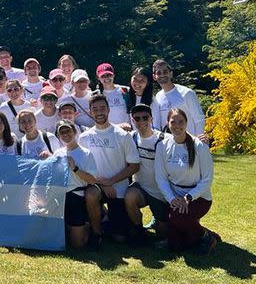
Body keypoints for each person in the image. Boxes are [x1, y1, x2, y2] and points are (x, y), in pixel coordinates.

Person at [80, 94, 140, 247]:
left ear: (108, 109)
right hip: (97, 185)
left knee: (120, 238)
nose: (99, 112)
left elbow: (134, 165)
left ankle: (127, 227)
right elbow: (82, 167)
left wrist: (112, 181)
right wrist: (103, 183)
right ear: (90, 112)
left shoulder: (122, 135)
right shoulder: (84, 137)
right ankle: (96, 234)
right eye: (95, 109)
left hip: (118, 188)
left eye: (102, 108)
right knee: (90, 194)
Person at [154, 108, 218, 254]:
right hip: (176, 199)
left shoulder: (199, 146)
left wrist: (188, 198)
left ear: (186, 123)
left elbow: (207, 178)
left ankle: (206, 237)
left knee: (176, 217)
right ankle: (201, 231)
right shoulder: (162, 146)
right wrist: (171, 199)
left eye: (181, 121)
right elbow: (161, 177)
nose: (177, 125)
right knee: (175, 246)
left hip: (199, 198)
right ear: (167, 123)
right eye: (173, 122)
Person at [123, 104, 170, 243]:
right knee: (129, 197)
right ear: (133, 120)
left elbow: (184, 139)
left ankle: (160, 220)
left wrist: (201, 139)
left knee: (163, 235)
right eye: (137, 118)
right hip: (141, 188)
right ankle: (139, 230)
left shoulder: (165, 139)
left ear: (151, 118)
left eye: (145, 117)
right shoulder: (130, 137)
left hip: (161, 193)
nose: (142, 122)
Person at [53, 119, 98, 249]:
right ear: (58, 136)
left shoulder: (86, 153)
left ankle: (89, 225)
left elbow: (92, 180)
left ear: (75, 131)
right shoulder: (58, 153)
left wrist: (75, 169)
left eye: (68, 130)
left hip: (77, 197)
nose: (66, 134)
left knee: (78, 245)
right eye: (62, 132)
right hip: (61, 198)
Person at [151, 60, 207, 141]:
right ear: (154, 77)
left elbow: (199, 119)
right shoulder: (158, 96)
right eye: (158, 73)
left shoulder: (187, 93)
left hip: (189, 142)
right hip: (169, 144)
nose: (162, 75)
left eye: (165, 71)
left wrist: (199, 140)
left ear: (171, 73)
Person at [95, 63, 130, 127]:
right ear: (98, 78)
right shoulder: (96, 95)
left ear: (113, 75)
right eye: (103, 76)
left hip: (126, 130)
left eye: (109, 75)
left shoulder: (125, 90)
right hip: (107, 132)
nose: (106, 78)